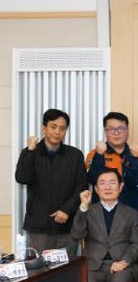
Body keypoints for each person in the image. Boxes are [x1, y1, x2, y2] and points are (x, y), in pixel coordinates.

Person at [15, 108, 88, 254]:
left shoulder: (75, 155)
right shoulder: (30, 152)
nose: (57, 132)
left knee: (69, 267)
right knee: (39, 267)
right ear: (44, 128)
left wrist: (67, 210)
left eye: (62, 128)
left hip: (67, 226)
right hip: (39, 227)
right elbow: (22, 178)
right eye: (53, 127)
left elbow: (82, 186)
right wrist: (30, 151)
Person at [85, 111, 138, 209]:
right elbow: (92, 179)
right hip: (101, 211)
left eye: (121, 128)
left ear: (127, 130)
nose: (116, 133)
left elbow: (135, 182)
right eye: (111, 129)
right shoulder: (95, 153)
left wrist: (134, 158)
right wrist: (99, 155)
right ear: (105, 131)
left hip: (130, 210)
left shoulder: (136, 152)